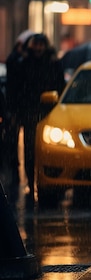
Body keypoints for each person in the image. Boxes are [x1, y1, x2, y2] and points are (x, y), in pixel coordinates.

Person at [13, 33, 66, 204]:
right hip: (30, 113)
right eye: (35, 44)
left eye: (40, 44)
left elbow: (59, 86)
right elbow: (18, 89)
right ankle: (31, 181)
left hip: (47, 113)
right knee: (30, 151)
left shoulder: (52, 64)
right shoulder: (25, 64)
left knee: (47, 150)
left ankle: (47, 184)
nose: (38, 48)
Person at [4, 30, 34, 201]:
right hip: (18, 108)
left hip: (25, 109)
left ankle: (22, 176)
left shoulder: (27, 61)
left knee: (26, 145)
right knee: (13, 144)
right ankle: (16, 176)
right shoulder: (16, 60)